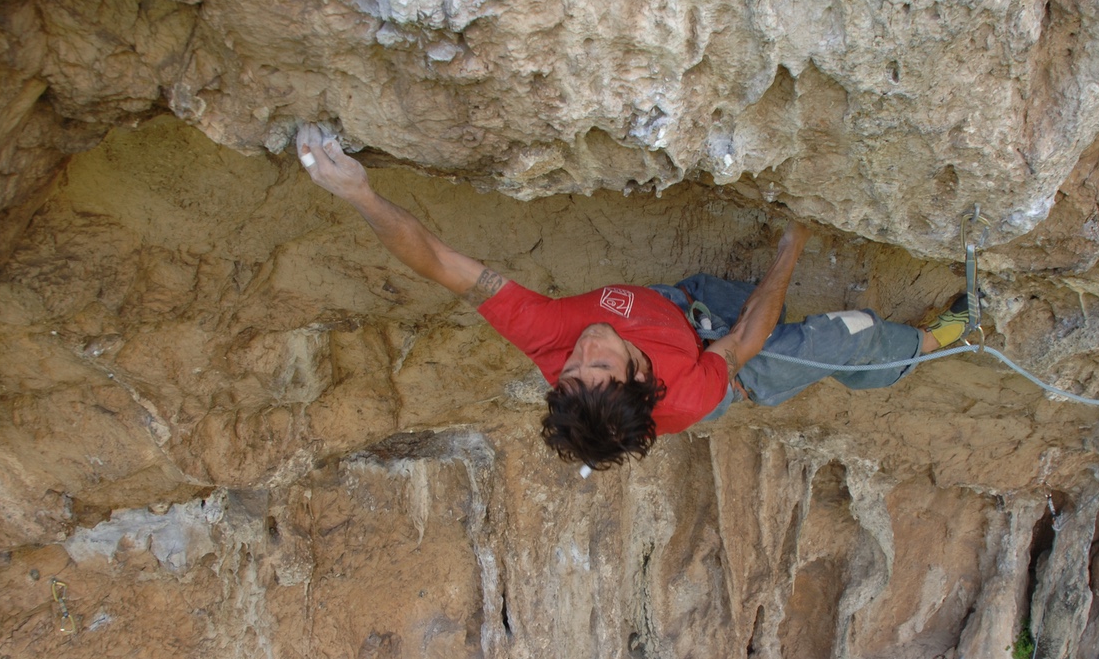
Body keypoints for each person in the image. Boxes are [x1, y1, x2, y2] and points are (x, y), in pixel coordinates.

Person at [295, 125, 969, 470]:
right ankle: (932, 344)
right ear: (637, 377)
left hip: (689, 306)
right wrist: (791, 243)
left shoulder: (550, 337)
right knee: (836, 338)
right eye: (599, 366)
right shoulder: (691, 392)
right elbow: (745, 343)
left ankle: (741, 303)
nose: (585, 349)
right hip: (734, 366)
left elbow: (440, 263)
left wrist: (360, 193)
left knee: (739, 299)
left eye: (573, 371)